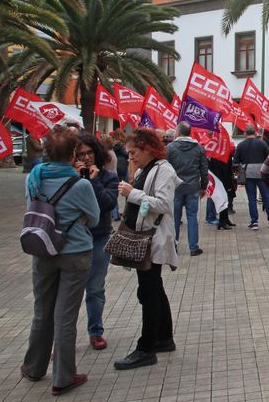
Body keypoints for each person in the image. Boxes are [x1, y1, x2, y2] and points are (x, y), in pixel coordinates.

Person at [20, 127, 100, 395]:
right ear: (72, 154)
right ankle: (63, 377)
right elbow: (96, 218)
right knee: (65, 316)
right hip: (75, 252)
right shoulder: (81, 184)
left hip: (43, 248)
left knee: (42, 310)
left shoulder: (33, 178)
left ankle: (33, 366)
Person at [114, 128, 179, 370]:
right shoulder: (145, 169)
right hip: (144, 236)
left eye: (133, 153)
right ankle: (164, 337)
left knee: (149, 291)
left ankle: (146, 347)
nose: (131, 158)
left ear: (147, 149)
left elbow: (163, 204)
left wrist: (133, 194)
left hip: (153, 238)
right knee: (153, 289)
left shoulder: (164, 170)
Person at [76, 133, 119, 351]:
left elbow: (107, 204)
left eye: (89, 153)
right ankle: (64, 337)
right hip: (72, 239)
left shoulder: (108, 177)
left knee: (94, 289)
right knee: (68, 291)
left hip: (99, 236)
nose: (86, 158)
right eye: (81, 154)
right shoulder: (70, 176)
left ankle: (96, 331)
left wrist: (92, 182)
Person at [166, 122, 208, 256]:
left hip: (175, 187)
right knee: (192, 217)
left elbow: (165, 168)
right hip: (193, 187)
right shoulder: (199, 148)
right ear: (190, 132)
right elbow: (204, 169)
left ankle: (173, 246)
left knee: (174, 218)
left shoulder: (170, 148)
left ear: (177, 133)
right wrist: (203, 187)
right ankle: (194, 247)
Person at [234, 125, 269, 229]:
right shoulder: (262, 143)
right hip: (262, 172)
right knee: (266, 197)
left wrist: (239, 169)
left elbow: (235, 162)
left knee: (251, 198)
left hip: (248, 173)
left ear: (244, 134)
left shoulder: (240, 145)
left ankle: (254, 221)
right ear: (255, 133)